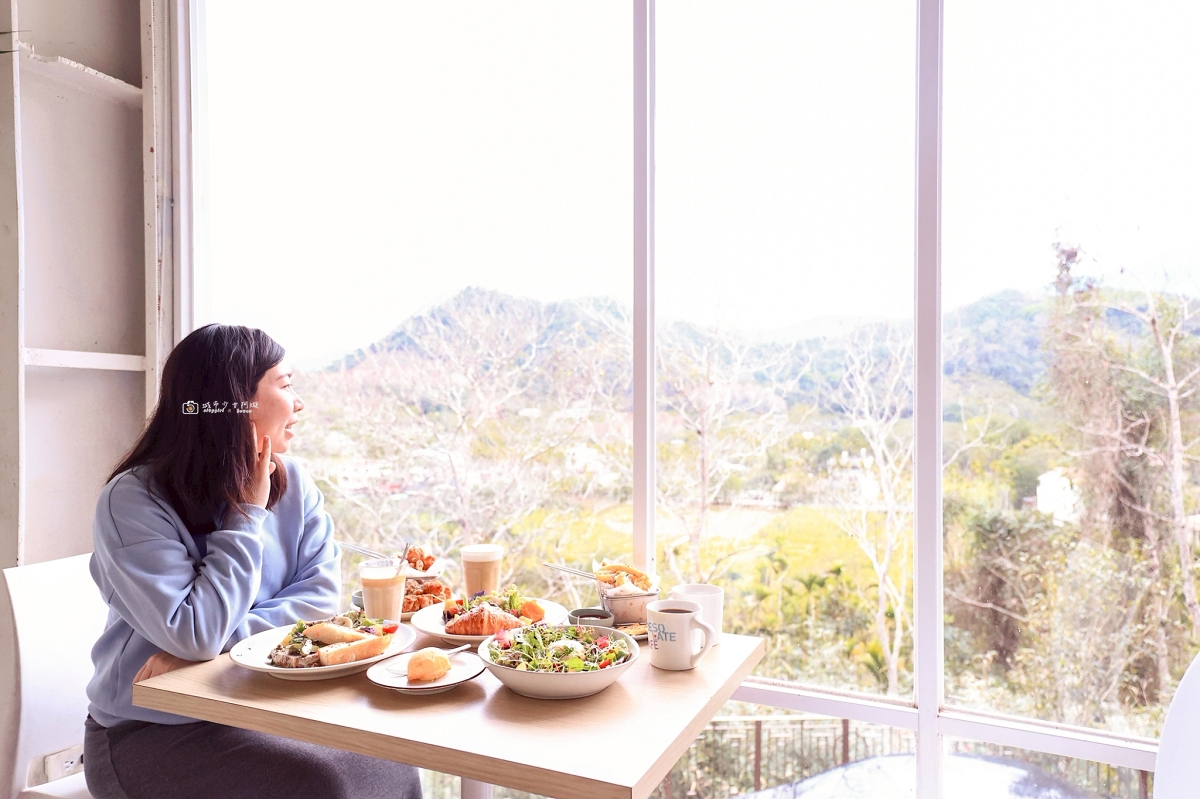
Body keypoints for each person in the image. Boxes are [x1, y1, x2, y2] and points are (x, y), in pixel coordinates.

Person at [82, 324, 422, 799]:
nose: (299, 402)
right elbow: (196, 632)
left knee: (392, 762)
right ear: (235, 402)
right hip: (151, 734)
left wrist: (222, 647)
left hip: (264, 710)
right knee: (318, 784)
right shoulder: (132, 502)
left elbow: (321, 601)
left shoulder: (295, 481)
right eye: (284, 384)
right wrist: (245, 515)